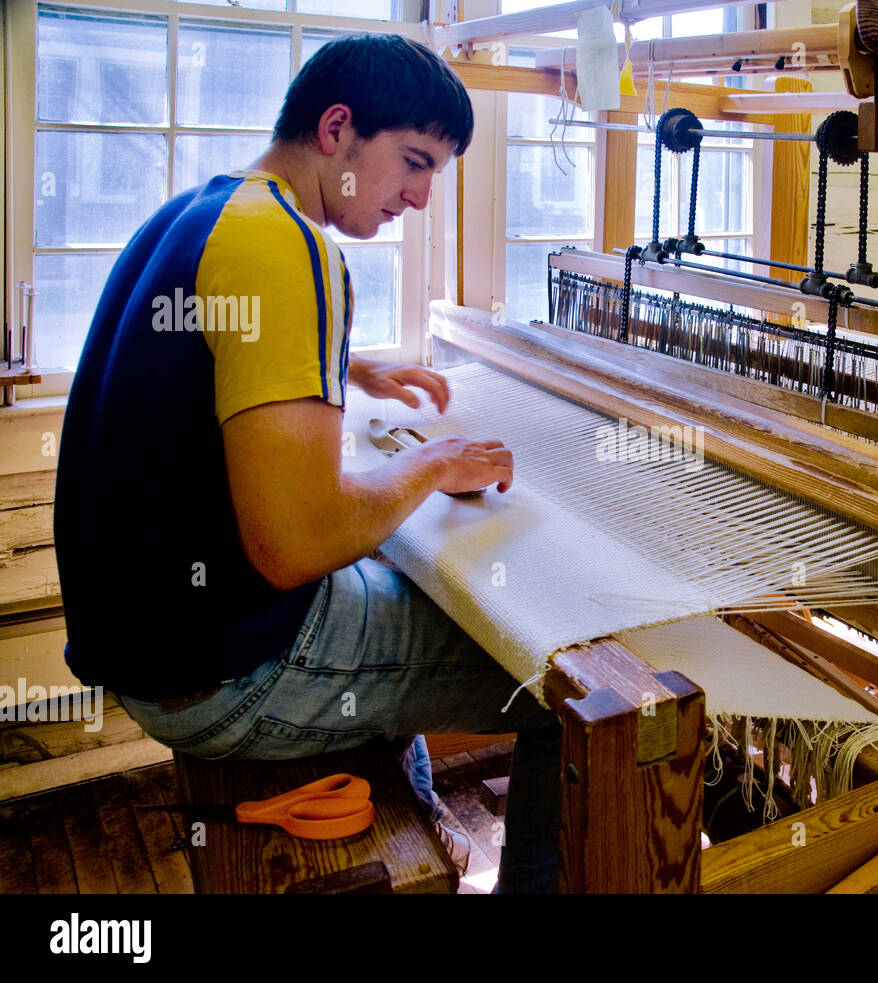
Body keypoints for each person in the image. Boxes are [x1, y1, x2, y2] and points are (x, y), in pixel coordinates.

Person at [53, 33, 560, 893]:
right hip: (224, 674)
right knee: (561, 682)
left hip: (145, 646)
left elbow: (207, 349)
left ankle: (417, 805)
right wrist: (433, 466)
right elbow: (295, 544)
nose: (422, 196)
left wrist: (350, 366)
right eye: (413, 160)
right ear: (336, 130)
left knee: (420, 602)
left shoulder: (206, 211)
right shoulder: (294, 247)